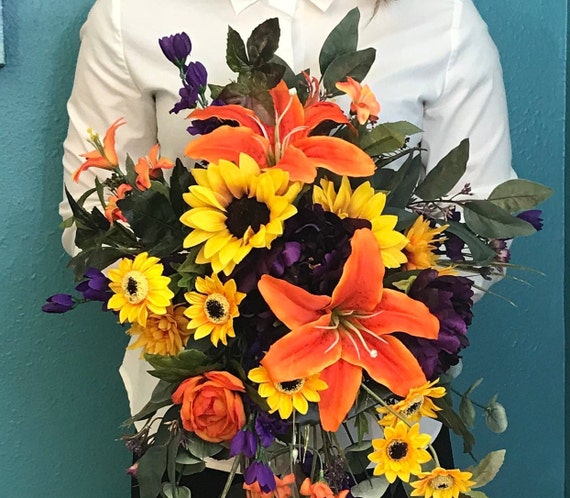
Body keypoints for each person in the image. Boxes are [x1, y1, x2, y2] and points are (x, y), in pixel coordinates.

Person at [60, 0, 516, 496]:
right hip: (208, 439)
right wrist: (242, 333)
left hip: (388, 440)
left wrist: (360, 332)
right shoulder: (129, 14)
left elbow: (483, 233)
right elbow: (94, 223)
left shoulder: (441, 17)